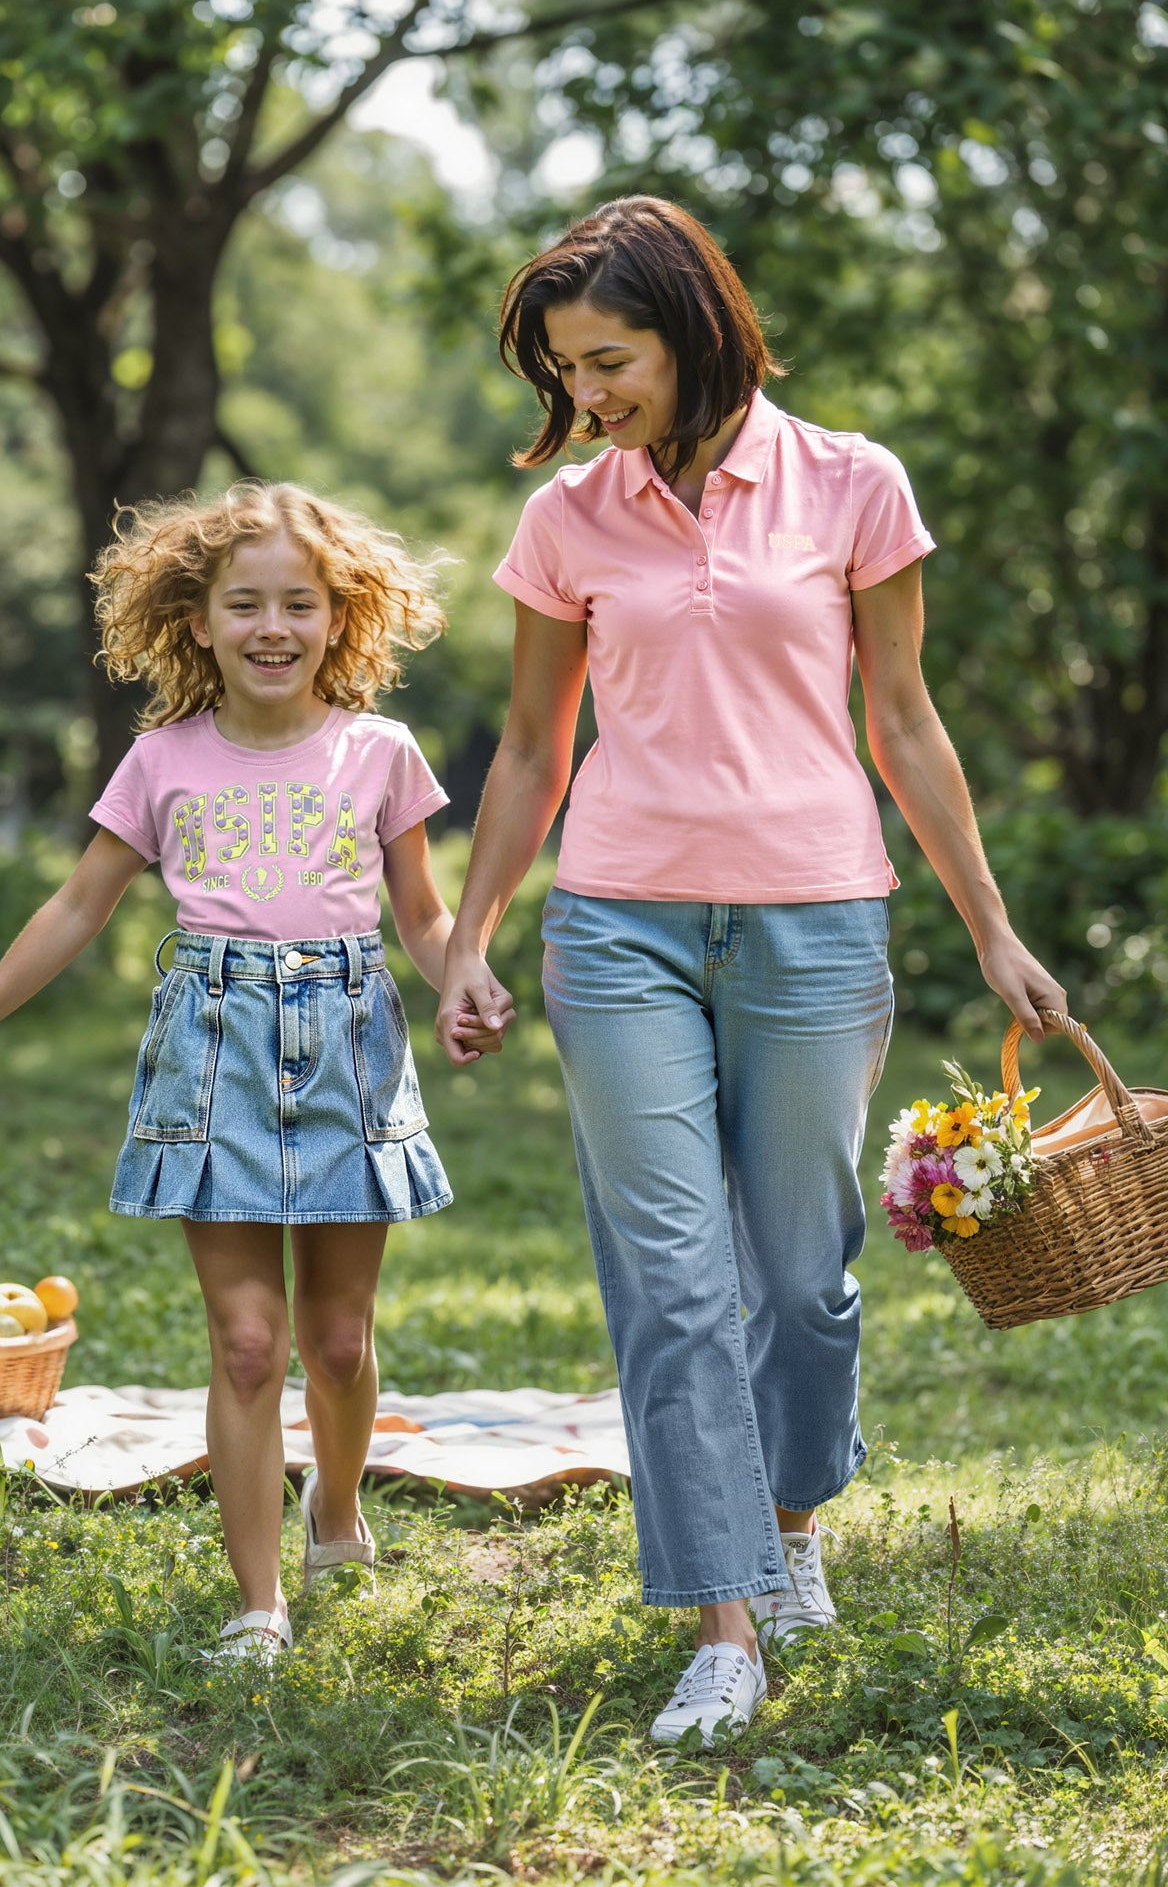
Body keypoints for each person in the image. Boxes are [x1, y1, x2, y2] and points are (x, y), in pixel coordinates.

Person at [435, 195, 1065, 1747]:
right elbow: (533, 749)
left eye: (610, 360)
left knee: (801, 1275)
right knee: (673, 1278)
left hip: (816, 920)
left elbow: (901, 719)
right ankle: (721, 1621)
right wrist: (470, 937)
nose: (587, 395)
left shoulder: (851, 482)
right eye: (566, 370)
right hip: (620, 928)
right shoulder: (568, 519)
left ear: (694, 331)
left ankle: (790, 1527)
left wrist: (990, 924)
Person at [0, 481, 503, 1664]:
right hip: (212, 1052)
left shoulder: (380, 751)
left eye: (299, 603)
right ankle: (258, 1601)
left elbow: (424, 919)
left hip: (348, 1048)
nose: (273, 626)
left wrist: (462, 976)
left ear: (339, 618)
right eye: (245, 604)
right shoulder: (161, 759)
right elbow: (78, 904)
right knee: (247, 1341)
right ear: (200, 620)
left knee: (337, 1339)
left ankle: (336, 1505)